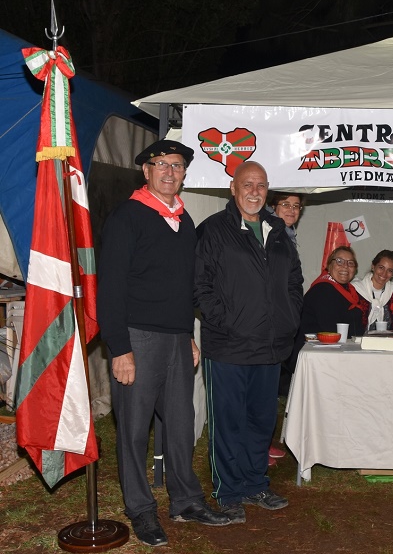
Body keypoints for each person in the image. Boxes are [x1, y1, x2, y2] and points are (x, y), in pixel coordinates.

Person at [98, 140, 230, 546]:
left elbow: (182, 288)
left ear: (184, 173)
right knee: (134, 431)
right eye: (161, 164)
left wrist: (187, 337)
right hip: (137, 337)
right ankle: (140, 509)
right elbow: (111, 289)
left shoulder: (183, 220)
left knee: (180, 425)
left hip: (174, 339)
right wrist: (119, 349)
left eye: (177, 165)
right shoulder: (128, 217)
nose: (169, 171)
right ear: (146, 171)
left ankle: (186, 500)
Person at [195, 161, 303, 525]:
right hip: (228, 346)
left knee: (260, 420)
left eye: (260, 185)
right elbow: (200, 287)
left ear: (267, 190)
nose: (254, 191)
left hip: (271, 347)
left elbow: (293, 282)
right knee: (228, 422)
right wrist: (228, 322)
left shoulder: (277, 230)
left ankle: (256, 483)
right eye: (247, 184)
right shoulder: (212, 230)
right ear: (233, 188)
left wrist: (288, 319)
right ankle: (228, 491)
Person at [268, 190, 306, 463]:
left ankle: (263, 441)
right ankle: (256, 445)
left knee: (269, 390)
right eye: (285, 205)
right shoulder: (269, 232)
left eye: (296, 206)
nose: (292, 210)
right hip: (265, 323)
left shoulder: (288, 236)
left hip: (280, 323)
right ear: (273, 207)